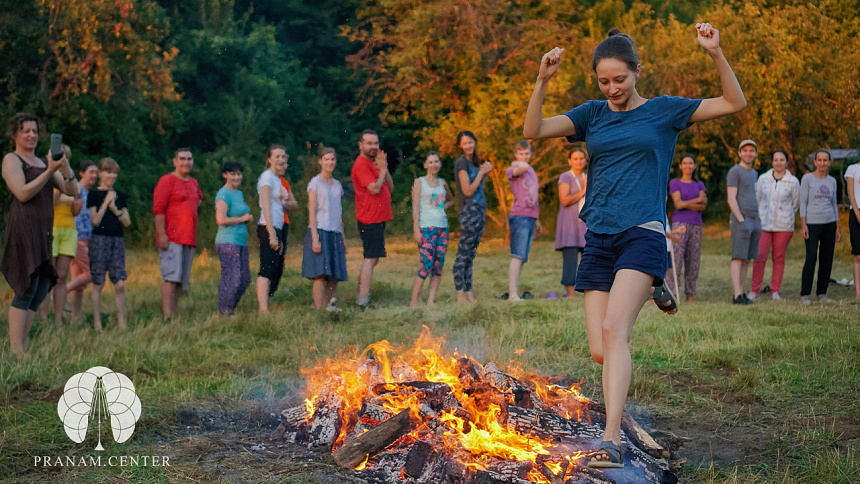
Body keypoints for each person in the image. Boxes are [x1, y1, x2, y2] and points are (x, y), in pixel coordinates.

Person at [523, 24, 745, 467]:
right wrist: (542, 81)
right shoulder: (591, 114)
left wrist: (716, 53)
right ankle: (653, 289)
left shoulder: (665, 111)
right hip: (599, 237)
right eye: (604, 81)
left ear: (637, 71)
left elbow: (734, 103)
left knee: (613, 330)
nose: (612, 89)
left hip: (643, 233)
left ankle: (610, 441)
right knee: (601, 351)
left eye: (620, 79)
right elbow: (533, 131)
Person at [2, 113, 78, 356]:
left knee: (41, 287)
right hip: (23, 230)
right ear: (15, 134)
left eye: (35, 131)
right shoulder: (11, 160)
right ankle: (16, 351)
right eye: (26, 131)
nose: (32, 135)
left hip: (44, 233)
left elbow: (71, 190)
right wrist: (49, 172)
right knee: (25, 287)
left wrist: (65, 169)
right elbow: (23, 193)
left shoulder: (44, 163)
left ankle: (21, 348)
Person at [153, 148, 202, 318]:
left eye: (189, 159)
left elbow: (199, 200)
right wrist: (162, 235)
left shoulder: (194, 183)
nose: (185, 162)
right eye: (182, 159)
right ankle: (167, 315)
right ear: (175, 161)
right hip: (171, 237)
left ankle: (175, 313)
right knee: (171, 278)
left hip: (189, 238)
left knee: (182, 280)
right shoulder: (167, 180)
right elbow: (158, 209)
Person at [350, 129, 393, 310]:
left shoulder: (374, 164)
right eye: (369, 143)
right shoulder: (361, 164)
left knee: (373, 257)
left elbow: (390, 187)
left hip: (379, 216)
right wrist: (381, 171)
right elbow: (374, 189)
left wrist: (384, 169)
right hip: (369, 217)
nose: (373, 147)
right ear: (360, 145)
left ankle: (363, 296)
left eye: (375, 143)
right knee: (370, 257)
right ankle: (362, 300)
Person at [87, 158, 131, 330]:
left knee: (120, 283)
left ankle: (121, 321)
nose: (112, 176)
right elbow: (95, 221)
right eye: (108, 172)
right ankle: (97, 323)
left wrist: (115, 209)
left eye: (114, 173)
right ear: (100, 173)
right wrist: (106, 202)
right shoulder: (94, 195)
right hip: (99, 240)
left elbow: (127, 222)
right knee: (98, 282)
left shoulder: (120, 195)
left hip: (117, 240)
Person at [302, 147, 348, 311]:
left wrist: (342, 238)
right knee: (320, 273)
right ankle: (318, 308)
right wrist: (315, 237)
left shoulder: (337, 185)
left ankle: (326, 305)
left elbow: (338, 213)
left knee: (335, 273)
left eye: (333, 159)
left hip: (335, 231)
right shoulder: (315, 183)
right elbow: (312, 212)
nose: (330, 162)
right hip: (320, 230)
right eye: (326, 159)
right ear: (320, 161)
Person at [750, 149, 799, 301]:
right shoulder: (763, 179)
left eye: (781, 160)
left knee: (779, 258)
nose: (778, 162)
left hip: (784, 226)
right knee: (759, 257)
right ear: (772, 162)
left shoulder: (793, 181)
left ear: (786, 162)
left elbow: (795, 204)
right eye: (776, 160)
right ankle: (755, 290)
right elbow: (757, 199)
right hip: (764, 224)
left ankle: (775, 290)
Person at [40, 143, 80, 326]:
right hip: (53, 227)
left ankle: (58, 320)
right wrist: (57, 177)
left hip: (69, 229)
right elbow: (49, 202)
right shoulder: (51, 178)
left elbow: (74, 210)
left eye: (66, 158)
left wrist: (76, 208)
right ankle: (43, 319)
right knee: (49, 274)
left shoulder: (72, 180)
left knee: (62, 276)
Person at [452, 130, 493, 303]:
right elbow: (468, 190)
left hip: (479, 210)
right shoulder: (461, 163)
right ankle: (460, 294)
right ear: (460, 145)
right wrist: (482, 173)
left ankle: (469, 293)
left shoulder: (473, 162)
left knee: (471, 255)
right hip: (469, 212)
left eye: (471, 142)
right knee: (463, 254)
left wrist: (485, 173)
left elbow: (478, 187)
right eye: (465, 143)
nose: (468, 145)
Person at [410, 151, 454, 307]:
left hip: (443, 227)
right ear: (425, 165)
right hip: (426, 227)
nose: (434, 165)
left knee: (438, 265)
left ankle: (431, 300)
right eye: (430, 162)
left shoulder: (443, 183)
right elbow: (415, 207)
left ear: (440, 164)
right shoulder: (420, 182)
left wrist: (442, 207)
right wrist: (416, 230)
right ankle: (414, 301)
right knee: (426, 265)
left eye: (436, 161)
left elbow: (451, 200)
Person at [799, 149, 841, 304]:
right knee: (811, 257)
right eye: (820, 160)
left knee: (826, 258)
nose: (822, 163)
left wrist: (837, 226)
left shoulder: (832, 181)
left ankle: (821, 293)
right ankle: (805, 294)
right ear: (815, 162)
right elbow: (802, 202)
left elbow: (834, 204)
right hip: (812, 224)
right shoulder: (807, 179)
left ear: (830, 162)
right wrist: (803, 224)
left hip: (829, 223)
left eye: (825, 160)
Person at [215, 162, 254, 316]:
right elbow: (221, 219)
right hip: (227, 241)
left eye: (239, 174)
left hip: (240, 241)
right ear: (225, 175)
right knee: (233, 277)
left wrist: (246, 219)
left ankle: (230, 307)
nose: (237, 177)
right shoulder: (223, 194)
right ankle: (225, 311)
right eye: (233, 174)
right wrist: (241, 219)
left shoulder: (239, 193)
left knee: (245, 279)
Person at [667, 153, 707, 302]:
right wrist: (696, 201)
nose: (688, 166)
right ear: (680, 166)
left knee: (693, 260)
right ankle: (672, 290)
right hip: (680, 224)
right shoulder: (675, 183)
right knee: (676, 259)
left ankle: (690, 293)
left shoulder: (699, 184)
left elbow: (703, 205)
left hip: (697, 224)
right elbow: (678, 204)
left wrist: (686, 203)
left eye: (691, 163)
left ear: (695, 166)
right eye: (685, 163)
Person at [505, 140, 542, 302]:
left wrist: (537, 219)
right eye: (520, 153)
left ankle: (515, 293)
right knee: (517, 255)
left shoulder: (531, 171)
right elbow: (522, 167)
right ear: (515, 154)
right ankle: (512, 295)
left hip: (530, 216)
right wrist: (519, 162)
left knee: (522, 258)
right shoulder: (512, 170)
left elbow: (534, 195)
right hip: (519, 215)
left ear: (531, 153)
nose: (524, 156)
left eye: (527, 153)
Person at [256, 145, 291, 313]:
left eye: (283, 157)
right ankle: (263, 309)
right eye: (277, 156)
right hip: (267, 227)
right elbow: (266, 206)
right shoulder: (267, 178)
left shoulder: (277, 179)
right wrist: (272, 234)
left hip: (278, 226)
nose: (281, 160)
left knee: (276, 266)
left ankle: (268, 303)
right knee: (267, 267)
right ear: (269, 159)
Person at [727, 139, 761, 305]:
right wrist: (741, 219)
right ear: (740, 153)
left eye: (751, 151)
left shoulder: (754, 173)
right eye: (745, 150)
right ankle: (736, 294)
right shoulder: (735, 171)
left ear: (755, 153)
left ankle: (742, 292)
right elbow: (731, 198)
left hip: (755, 219)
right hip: (742, 219)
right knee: (738, 257)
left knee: (747, 258)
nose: (748, 153)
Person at [67, 159, 99, 324]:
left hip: (87, 238)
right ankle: (59, 293)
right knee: (94, 272)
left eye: (96, 172)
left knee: (79, 284)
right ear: (82, 173)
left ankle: (75, 319)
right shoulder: (77, 190)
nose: (95, 175)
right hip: (77, 237)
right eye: (91, 172)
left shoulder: (89, 193)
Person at [555, 147, 588, 298]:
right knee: (571, 259)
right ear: (569, 161)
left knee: (590, 257)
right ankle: (570, 293)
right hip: (569, 224)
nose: (579, 161)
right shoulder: (565, 177)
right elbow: (565, 200)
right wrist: (583, 190)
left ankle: (590, 290)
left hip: (586, 224)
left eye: (581, 158)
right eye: (575, 159)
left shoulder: (588, 176)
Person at [845, 158, 860, 300]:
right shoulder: (852, 169)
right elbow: (851, 194)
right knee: (858, 255)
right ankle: (858, 293)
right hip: (856, 213)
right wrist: (857, 212)